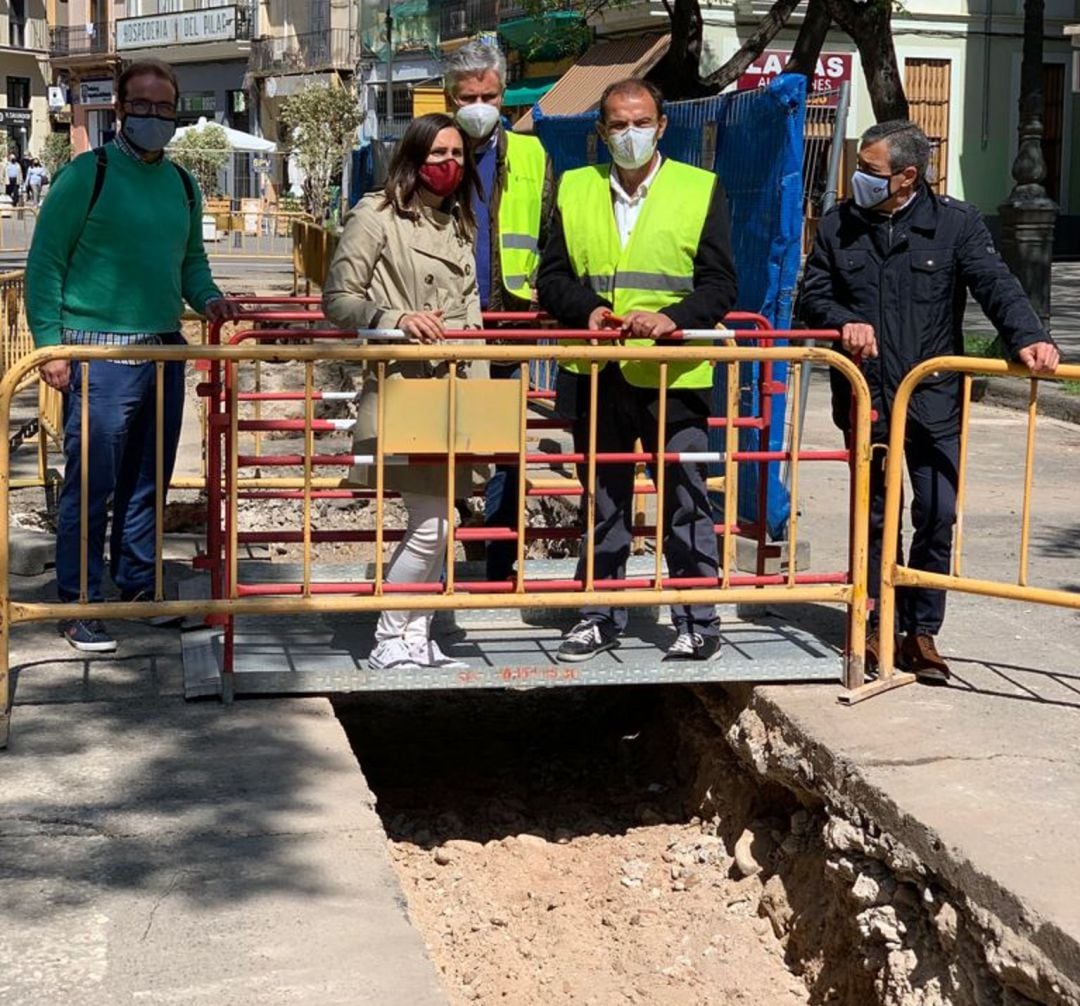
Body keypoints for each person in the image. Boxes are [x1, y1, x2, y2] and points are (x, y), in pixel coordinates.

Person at [799, 120, 1059, 685]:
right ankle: (872, 623)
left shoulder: (955, 224)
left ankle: (921, 630)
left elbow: (996, 284)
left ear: (906, 176)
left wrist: (1029, 335)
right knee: (873, 518)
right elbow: (813, 294)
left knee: (937, 514)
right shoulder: (841, 223)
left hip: (933, 398)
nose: (857, 179)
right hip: (867, 398)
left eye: (869, 170)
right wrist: (844, 324)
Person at [25, 58, 239, 653]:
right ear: (120, 109)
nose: (152, 116)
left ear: (176, 113)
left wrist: (212, 298)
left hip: (163, 352)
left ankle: (139, 589)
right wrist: (49, 345)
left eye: (163, 107)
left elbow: (190, 263)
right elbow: (45, 264)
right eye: (140, 105)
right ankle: (80, 603)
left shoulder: (182, 184)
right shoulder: (85, 176)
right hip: (97, 357)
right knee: (92, 486)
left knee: (150, 481)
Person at [537, 78, 738, 664]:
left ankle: (698, 620)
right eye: (618, 124)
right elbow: (552, 278)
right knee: (602, 500)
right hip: (597, 372)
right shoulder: (575, 189)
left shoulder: (698, 189)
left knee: (686, 499)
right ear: (600, 132)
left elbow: (722, 285)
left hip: (675, 377)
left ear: (662, 125)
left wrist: (673, 318)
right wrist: (589, 310)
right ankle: (598, 614)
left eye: (641, 122)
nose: (631, 134)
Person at [323, 112, 484, 672]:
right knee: (435, 521)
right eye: (438, 154)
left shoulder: (460, 222)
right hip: (405, 388)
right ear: (413, 159)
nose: (449, 165)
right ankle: (391, 637)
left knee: (443, 521)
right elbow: (338, 300)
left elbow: (472, 312)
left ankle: (415, 637)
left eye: (458, 155)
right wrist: (395, 317)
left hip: (457, 389)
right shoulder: (376, 215)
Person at [443, 40, 554, 582]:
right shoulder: (432, 149)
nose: (479, 106)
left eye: (488, 95)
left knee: (506, 444)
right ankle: (440, 554)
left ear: (503, 94)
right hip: (443, 322)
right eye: (468, 96)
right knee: (441, 442)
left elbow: (550, 231)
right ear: (450, 96)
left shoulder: (533, 156)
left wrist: (545, 294)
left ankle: (498, 562)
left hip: (509, 319)